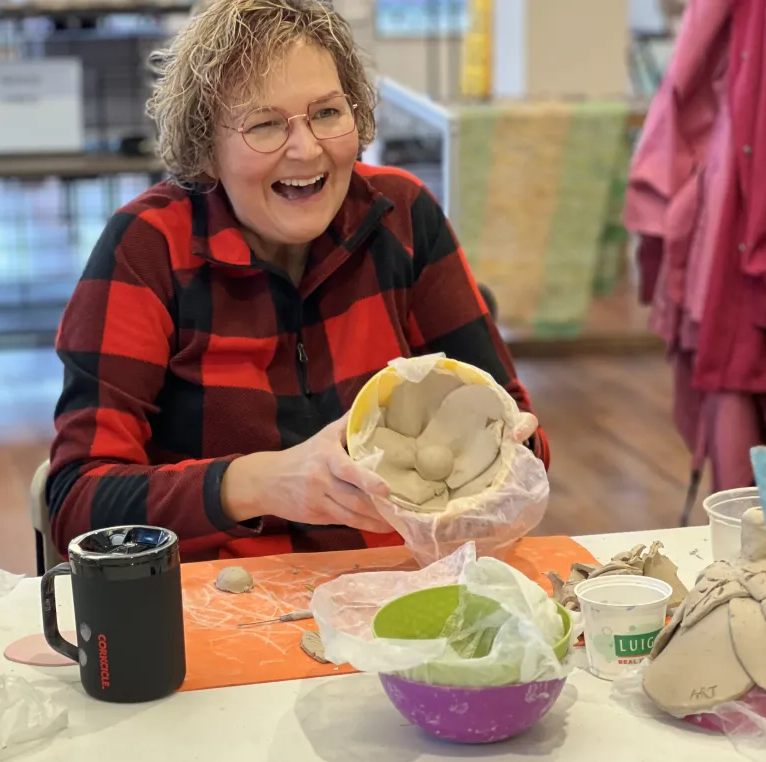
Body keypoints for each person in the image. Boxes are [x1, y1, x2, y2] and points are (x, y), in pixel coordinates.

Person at [47, 0, 549, 562]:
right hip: (217, 604)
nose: (307, 149)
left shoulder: (402, 215)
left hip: (393, 584)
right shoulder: (148, 246)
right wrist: (262, 482)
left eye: (328, 113)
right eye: (264, 124)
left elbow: (523, 434)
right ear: (205, 146)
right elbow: (77, 503)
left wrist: (505, 448)